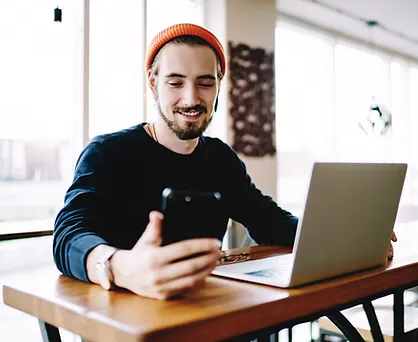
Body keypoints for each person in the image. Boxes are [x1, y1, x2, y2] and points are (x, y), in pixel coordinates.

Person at [53, 23, 396, 301]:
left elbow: (267, 220)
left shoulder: (219, 158)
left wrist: (342, 236)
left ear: (219, 87)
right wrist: (120, 266)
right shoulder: (107, 153)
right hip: (126, 320)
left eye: (205, 82)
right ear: (154, 85)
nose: (191, 98)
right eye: (176, 82)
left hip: (207, 312)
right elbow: (68, 236)